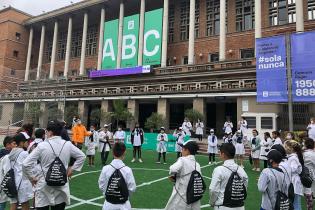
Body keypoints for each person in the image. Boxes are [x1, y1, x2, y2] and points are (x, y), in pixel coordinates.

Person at [23, 120, 86, 210]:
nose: (46, 134)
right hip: (61, 184)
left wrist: (32, 177)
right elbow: (82, 156)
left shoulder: (42, 146)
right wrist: (72, 169)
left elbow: (25, 164)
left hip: (43, 185)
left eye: (47, 131)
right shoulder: (67, 144)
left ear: (50, 132)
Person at [209, 143, 248, 210]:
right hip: (240, 206)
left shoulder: (219, 170)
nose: (219, 154)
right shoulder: (242, 170)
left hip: (223, 206)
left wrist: (212, 202)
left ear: (223, 154)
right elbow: (244, 188)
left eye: (220, 153)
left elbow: (213, 190)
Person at [98, 142, 136, 210]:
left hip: (108, 205)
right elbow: (132, 188)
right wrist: (124, 196)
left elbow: (101, 185)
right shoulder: (127, 170)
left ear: (112, 153)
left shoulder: (105, 169)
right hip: (124, 205)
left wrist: (108, 195)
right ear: (124, 153)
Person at [165, 140, 201, 210]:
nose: (181, 151)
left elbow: (173, 169)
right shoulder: (198, 165)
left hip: (181, 197)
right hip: (193, 198)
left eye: (183, 149)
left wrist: (175, 176)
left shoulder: (182, 160)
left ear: (187, 150)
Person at [2, 133, 33, 210]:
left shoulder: (9, 154)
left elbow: (6, 169)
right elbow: (29, 167)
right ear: (21, 142)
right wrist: (32, 178)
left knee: (13, 204)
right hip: (22, 183)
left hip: (11, 182)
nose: (27, 143)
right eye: (26, 141)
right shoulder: (24, 153)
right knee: (25, 204)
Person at [284, 140, 303, 210]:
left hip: (294, 182)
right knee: (294, 202)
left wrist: (284, 169)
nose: (285, 148)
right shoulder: (291, 157)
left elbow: (293, 169)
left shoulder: (293, 158)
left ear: (291, 148)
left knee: (296, 203)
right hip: (293, 182)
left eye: (286, 147)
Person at [0, 136, 16, 210]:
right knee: (2, 202)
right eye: (14, 143)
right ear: (8, 144)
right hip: (4, 182)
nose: (15, 145)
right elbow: (8, 171)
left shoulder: (3, 152)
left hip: (4, 181)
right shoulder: (7, 156)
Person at [303, 137, 315, 209]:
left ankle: (309, 206)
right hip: (313, 174)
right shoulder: (313, 154)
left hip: (305, 175)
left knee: (307, 191)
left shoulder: (304, 154)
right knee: (311, 191)